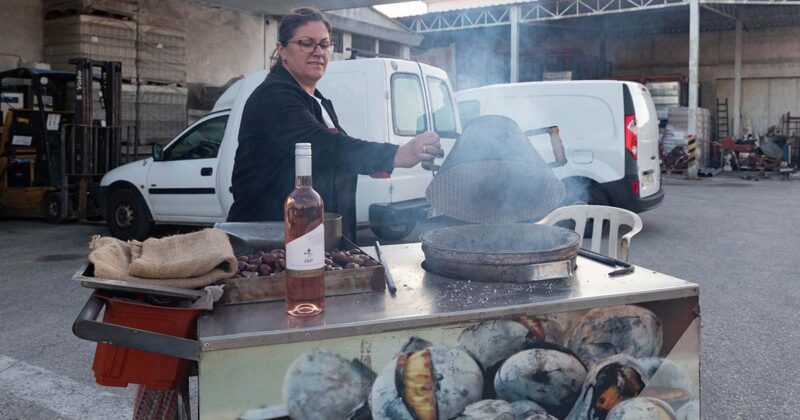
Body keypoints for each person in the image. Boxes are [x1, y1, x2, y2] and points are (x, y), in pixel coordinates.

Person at [228, 7, 441, 239]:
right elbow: (321, 145)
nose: (318, 52)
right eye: (306, 43)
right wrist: (397, 154)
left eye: (325, 44)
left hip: (309, 236)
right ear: (282, 50)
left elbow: (341, 157)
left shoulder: (318, 101)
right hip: (269, 240)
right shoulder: (274, 96)